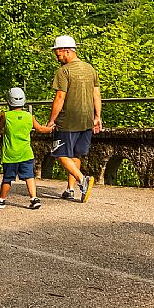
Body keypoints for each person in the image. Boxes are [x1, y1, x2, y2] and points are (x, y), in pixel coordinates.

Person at [46, 35, 101, 203]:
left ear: (67, 51)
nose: (56, 56)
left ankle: (82, 179)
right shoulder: (90, 68)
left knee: (59, 153)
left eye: (57, 53)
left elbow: (60, 97)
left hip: (67, 121)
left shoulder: (64, 71)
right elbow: (96, 94)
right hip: (86, 120)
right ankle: (70, 189)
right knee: (76, 155)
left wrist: (51, 120)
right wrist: (97, 117)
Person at [0, 87, 52, 209]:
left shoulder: (5, 116)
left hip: (11, 154)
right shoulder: (29, 116)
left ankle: (1, 199)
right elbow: (40, 129)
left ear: (9, 101)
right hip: (26, 154)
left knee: (7, 178)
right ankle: (34, 199)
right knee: (29, 176)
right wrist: (51, 128)